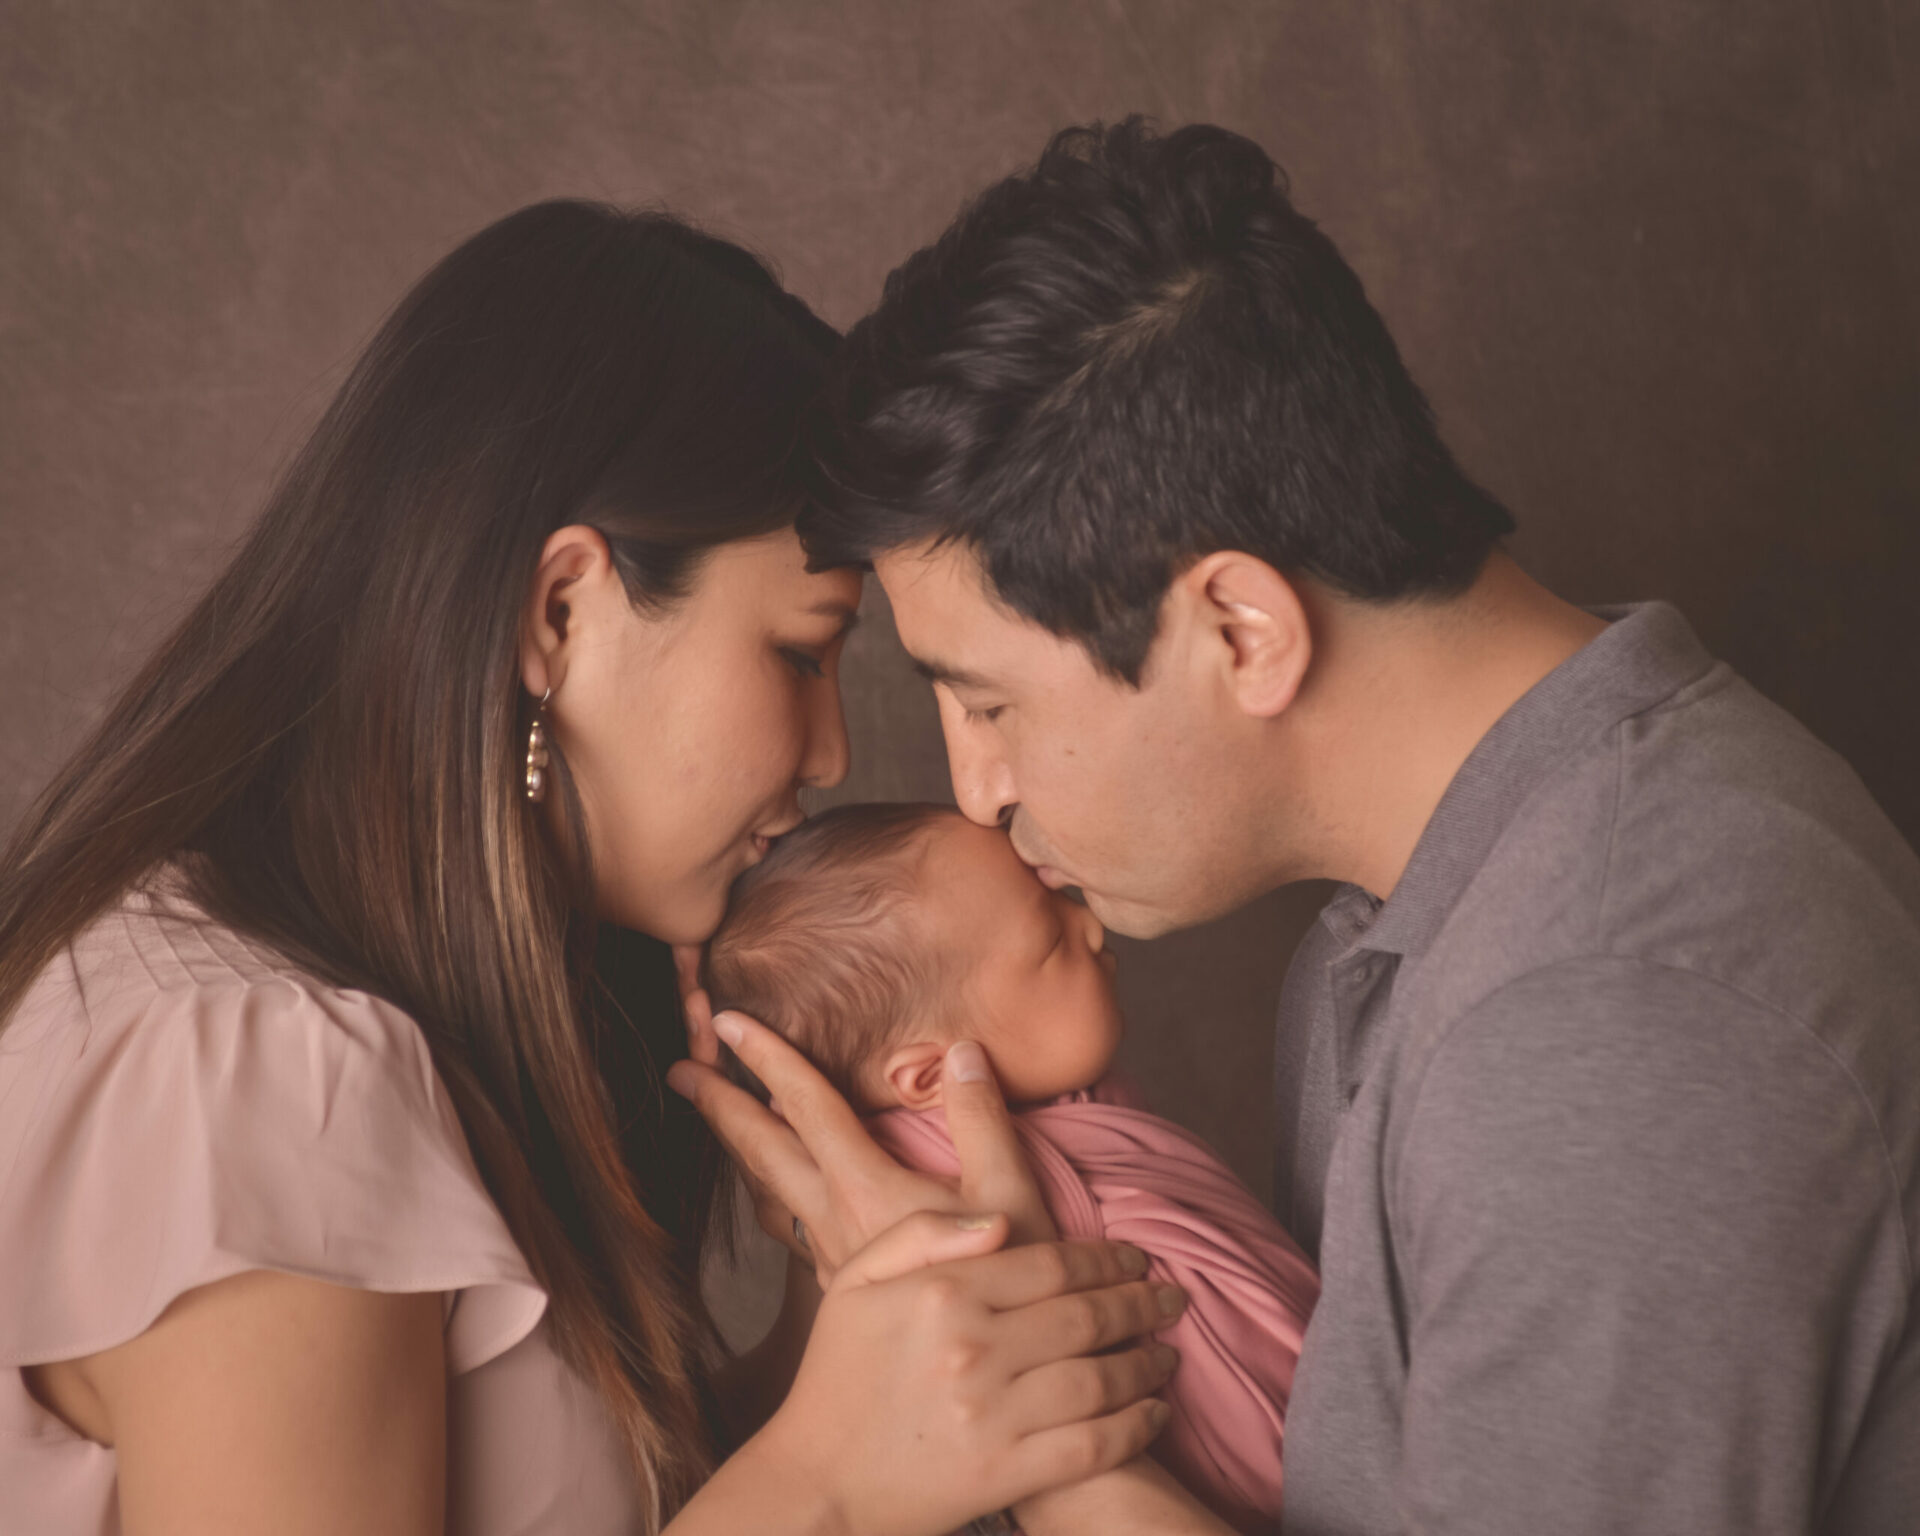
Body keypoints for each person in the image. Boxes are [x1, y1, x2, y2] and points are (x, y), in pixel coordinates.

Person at [675, 119, 1920, 1534]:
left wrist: (1035, 1400)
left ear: (1239, 628)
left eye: (990, 703)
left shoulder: (1603, 1018)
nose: (979, 791)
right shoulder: (1420, 915)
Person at [0, 201, 1188, 1536]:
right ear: (558, 612)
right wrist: (830, 1484)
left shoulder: (408, 1027)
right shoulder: (250, 1069)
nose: (833, 752)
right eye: (800, 652)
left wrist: (835, 1326)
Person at [703, 800, 1321, 1534]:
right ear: (928, 1079)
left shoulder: (1062, 1095)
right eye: (1049, 941)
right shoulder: (934, 1182)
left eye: (1057, 898)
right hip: (1242, 1471)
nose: (1090, 924)